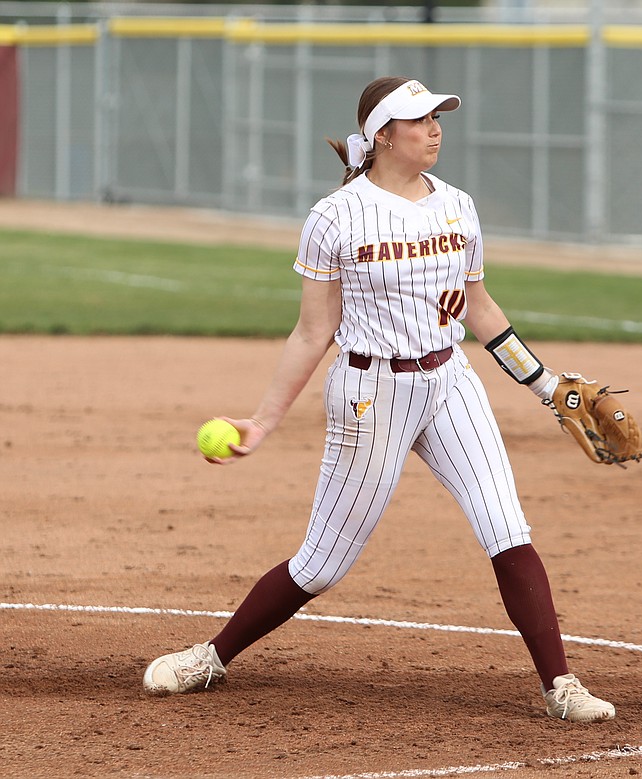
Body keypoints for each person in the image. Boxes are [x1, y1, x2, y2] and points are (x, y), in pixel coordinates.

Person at [142, 76, 616, 723]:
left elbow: (479, 308)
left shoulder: (457, 206)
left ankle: (560, 684)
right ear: (384, 135)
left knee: (506, 527)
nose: (436, 128)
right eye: (420, 119)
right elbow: (314, 331)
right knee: (322, 561)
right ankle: (212, 655)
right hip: (370, 392)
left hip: (450, 382)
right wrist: (263, 421)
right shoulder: (336, 217)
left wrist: (544, 383)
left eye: (438, 117)